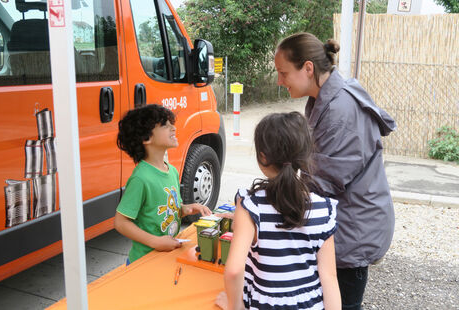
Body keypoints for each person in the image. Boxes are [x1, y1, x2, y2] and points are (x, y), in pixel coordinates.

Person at [274, 32, 396, 309]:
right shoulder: (324, 97)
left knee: (341, 303)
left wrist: (270, 205)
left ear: (308, 68)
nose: (280, 82)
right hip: (342, 220)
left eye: (283, 73)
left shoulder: (341, 109)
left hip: (353, 228)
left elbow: (322, 181)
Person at [216, 112, 341, 310]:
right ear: (304, 155)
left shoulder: (251, 207)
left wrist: (235, 306)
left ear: (263, 156)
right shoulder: (323, 209)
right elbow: (330, 278)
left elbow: (233, 271)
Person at [114, 104, 211, 264]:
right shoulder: (141, 178)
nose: (173, 128)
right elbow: (121, 222)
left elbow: (169, 209)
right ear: (146, 138)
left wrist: (186, 209)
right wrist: (155, 242)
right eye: (165, 126)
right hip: (143, 262)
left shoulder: (171, 170)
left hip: (165, 255)